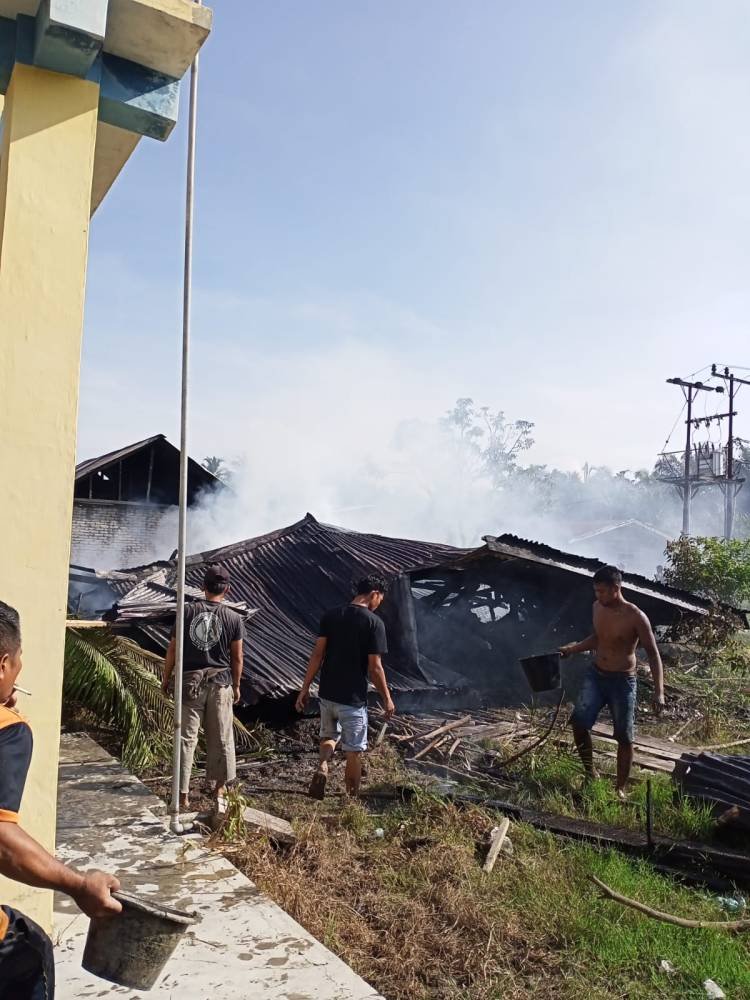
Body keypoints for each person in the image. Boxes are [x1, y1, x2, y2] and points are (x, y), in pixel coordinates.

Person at [0, 600, 121, 999]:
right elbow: (1, 839)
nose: (20, 670)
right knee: (31, 951)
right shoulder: (8, 732)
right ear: (3, 664)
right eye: (18, 661)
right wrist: (79, 885)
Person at [560, 565, 665, 799]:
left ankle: (620, 788)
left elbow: (654, 654)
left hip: (623, 681)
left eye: (602, 592)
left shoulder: (636, 617)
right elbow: (599, 637)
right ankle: (590, 773)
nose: (598, 596)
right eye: (596, 591)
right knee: (579, 724)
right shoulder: (597, 607)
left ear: (616, 588)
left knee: (624, 737)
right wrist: (573, 648)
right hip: (596, 675)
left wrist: (659, 692)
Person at [296, 576, 396, 799]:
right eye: (380, 598)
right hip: (352, 700)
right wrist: (387, 698)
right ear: (374, 594)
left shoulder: (331, 615)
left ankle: (323, 765)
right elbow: (375, 668)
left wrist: (305, 689)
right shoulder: (374, 623)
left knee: (329, 736)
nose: (379, 603)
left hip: (327, 694)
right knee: (354, 752)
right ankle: (352, 802)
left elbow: (317, 655)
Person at [162, 565, 244, 809]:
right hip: (220, 685)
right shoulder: (233, 618)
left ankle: (182, 795)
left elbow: (174, 649)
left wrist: (166, 678)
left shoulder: (186, 612)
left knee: (186, 738)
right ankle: (219, 791)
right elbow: (237, 658)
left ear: (202, 587)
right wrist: (237, 685)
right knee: (221, 738)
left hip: (189, 684)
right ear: (227, 589)